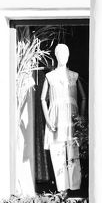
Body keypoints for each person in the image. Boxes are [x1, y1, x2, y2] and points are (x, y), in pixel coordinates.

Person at [41, 43, 86, 192]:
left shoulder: (74, 76)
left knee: (74, 152)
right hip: (56, 118)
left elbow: (83, 98)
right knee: (57, 152)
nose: (63, 57)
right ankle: (62, 188)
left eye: (65, 54)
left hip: (72, 118)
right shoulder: (50, 77)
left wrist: (81, 118)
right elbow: (43, 99)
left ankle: (75, 186)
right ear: (56, 55)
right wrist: (48, 120)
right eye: (60, 54)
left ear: (68, 56)